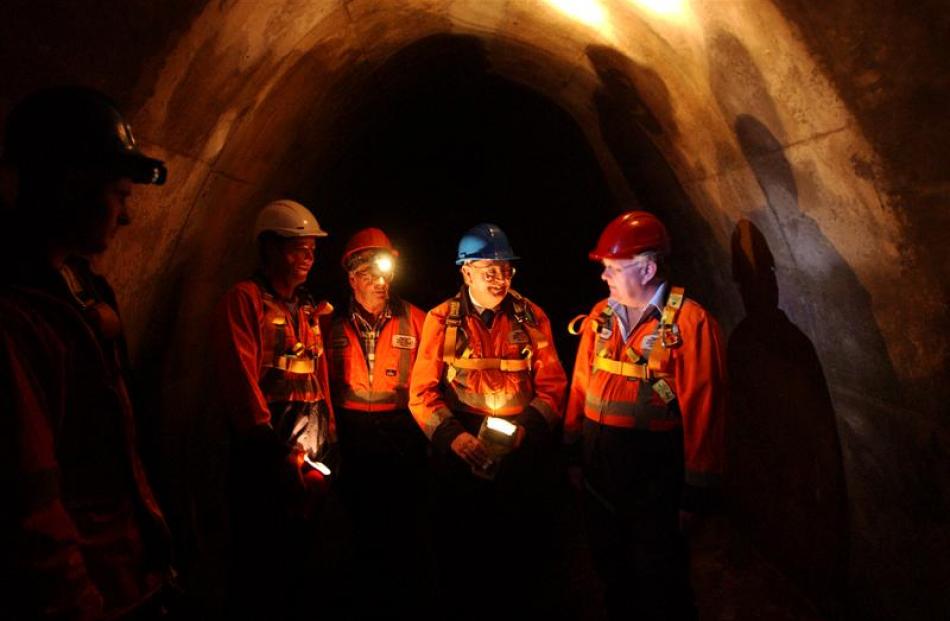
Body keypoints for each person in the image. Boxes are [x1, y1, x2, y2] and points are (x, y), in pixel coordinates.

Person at [0, 86, 175, 619]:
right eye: (119, 195)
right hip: (89, 593)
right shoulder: (18, 317)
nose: (126, 217)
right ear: (72, 186)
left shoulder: (81, 289)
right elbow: (31, 511)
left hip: (127, 574)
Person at [565, 210, 726, 620]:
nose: (604, 277)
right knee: (612, 572)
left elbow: (705, 411)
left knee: (661, 579)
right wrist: (572, 449)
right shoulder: (601, 316)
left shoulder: (691, 324)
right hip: (601, 470)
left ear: (649, 268)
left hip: (655, 475)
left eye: (613, 268)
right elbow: (581, 385)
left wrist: (695, 491)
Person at [409, 223, 567, 617]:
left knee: (520, 553)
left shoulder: (532, 317)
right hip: (462, 454)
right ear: (465, 271)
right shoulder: (442, 320)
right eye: (488, 270)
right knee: (461, 554)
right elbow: (421, 393)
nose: (500, 279)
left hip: (519, 455)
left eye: (506, 269)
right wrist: (454, 439)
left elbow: (552, 387)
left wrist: (525, 432)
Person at [211, 199, 335, 619]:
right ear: (268, 248)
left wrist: (330, 436)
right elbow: (241, 383)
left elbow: (318, 378)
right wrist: (274, 450)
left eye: (312, 249)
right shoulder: (244, 300)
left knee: (303, 561)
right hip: (264, 455)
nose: (308, 257)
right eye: (297, 248)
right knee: (260, 565)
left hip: (308, 450)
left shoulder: (305, 307)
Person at [326, 227, 429, 616]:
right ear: (352, 278)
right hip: (353, 437)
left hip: (401, 435)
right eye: (370, 274)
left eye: (385, 273)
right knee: (361, 525)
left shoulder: (417, 320)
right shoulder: (330, 324)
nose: (380, 282)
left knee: (404, 525)